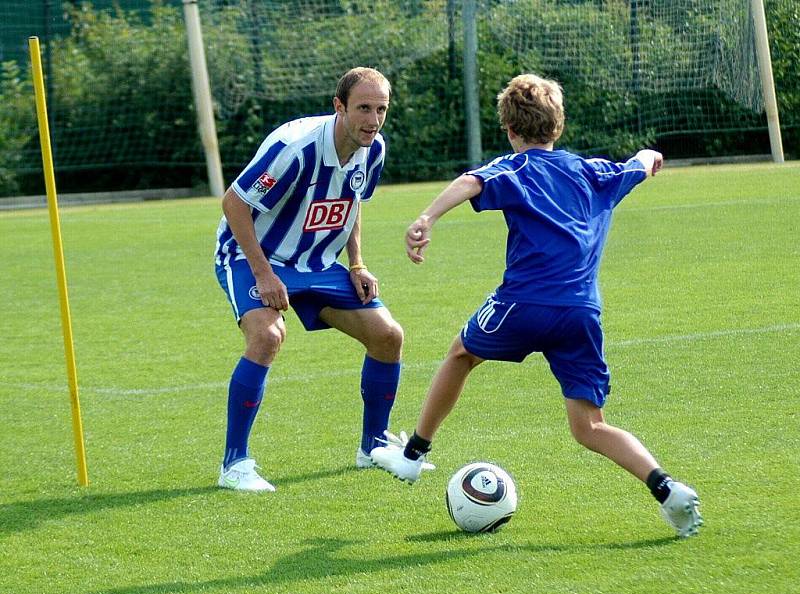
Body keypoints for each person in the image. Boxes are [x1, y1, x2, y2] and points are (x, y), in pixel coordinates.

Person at [371, 73, 703, 537]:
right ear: (558, 127)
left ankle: (412, 456)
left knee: (462, 354)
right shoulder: (595, 173)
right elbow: (642, 162)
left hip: (523, 303)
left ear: (509, 131)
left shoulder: (514, 169)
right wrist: (650, 158)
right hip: (581, 314)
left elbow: (470, 182)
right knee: (590, 427)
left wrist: (427, 216)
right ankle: (667, 487)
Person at [213, 67, 405, 492]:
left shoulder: (374, 149)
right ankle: (234, 465)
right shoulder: (294, 148)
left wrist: (357, 264)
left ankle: (373, 447)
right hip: (254, 257)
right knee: (267, 337)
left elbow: (353, 203)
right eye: (363, 109)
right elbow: (234, 203)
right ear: (339, 106)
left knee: (388, 336)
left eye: (381, 110)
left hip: (315, 263)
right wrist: (264, 275)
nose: (373, 120)